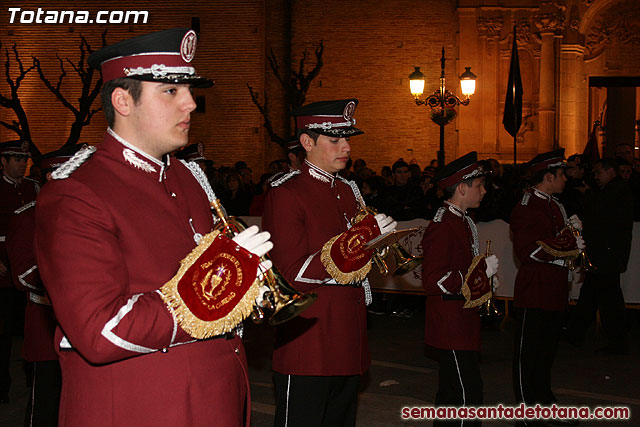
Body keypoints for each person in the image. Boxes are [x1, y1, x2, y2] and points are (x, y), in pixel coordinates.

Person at [34, 28, 273, 426]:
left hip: (216, 398)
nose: (191, 104)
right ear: (122, 101)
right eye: (170, 91)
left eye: (190, 91)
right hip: (142, 408)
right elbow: (99, 332)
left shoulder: (188, 177)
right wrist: (210, 289)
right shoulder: (77, 192)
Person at [262, 99, 396, 427]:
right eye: (335, 140)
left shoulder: (349, 191)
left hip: (348, 335)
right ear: (307, 142)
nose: (346, 147)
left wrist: (378, 243)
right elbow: (290, 273)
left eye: (347, 139)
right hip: (308, 339)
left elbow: (355, 260)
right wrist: (352, 248)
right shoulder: (286, 193)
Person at [6, 145, 85, 425]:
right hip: (46, 322)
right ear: (53, 177)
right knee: (46, 404)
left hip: (89, 325)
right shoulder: (28, 216)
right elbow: (25, 275)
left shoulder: (91, 214)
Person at [421, 152, 498, 426]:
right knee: (468, 397)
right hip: (451, 323)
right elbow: (434, 279)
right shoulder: (444, 225)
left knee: (452, 395)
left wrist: (484, 279)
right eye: (479, 185)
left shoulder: (461, 219)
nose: (484, 190)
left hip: (461, 319)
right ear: (462, 188)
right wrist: (479, 275)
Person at [510, 149, 583, 426]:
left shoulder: (553, 204)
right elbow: (530, 251)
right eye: (562, 174)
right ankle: (527, 414)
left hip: (553, 289)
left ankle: (545, 407)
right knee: (529, 357)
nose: (566, 178)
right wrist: (567, 242)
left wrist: (571, 241)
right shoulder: (528, 206)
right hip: (536, 290)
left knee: (545, 356)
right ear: (548, 176)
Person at [568, 158, 633, 354]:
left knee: (608, 299)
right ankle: (576, 333)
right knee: (592, 294)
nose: (595, 177)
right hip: (605, 253)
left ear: (610, 171)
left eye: (599, 173)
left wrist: (587, 195)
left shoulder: (616, 191)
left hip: (607, 254)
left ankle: (616, 341)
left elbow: (599, 216)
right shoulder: (613, 191)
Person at [0, 139, 39, 403]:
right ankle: (2, 387)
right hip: (2, 270)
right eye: (16, 160)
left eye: (24, 160)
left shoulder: (32, 187)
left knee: (32, 328)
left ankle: (33, 379)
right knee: (2, 333)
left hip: (29, 267)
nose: (22, 164)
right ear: (3, 162)